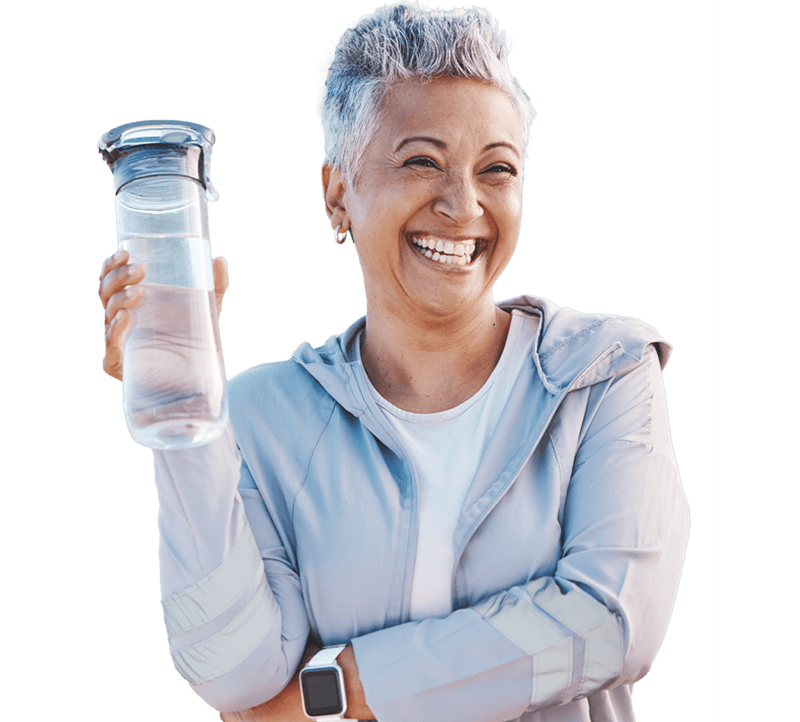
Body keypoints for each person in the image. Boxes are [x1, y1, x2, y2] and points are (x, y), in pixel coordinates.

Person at [97, 3, 690, 721]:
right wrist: (185, 408)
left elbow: (609, 624)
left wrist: (341, 690)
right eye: (421, 161)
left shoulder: (603, 374)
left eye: (496, 169)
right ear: (337, 192)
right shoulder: (260, 415)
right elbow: (235, 673)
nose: (462, 203)